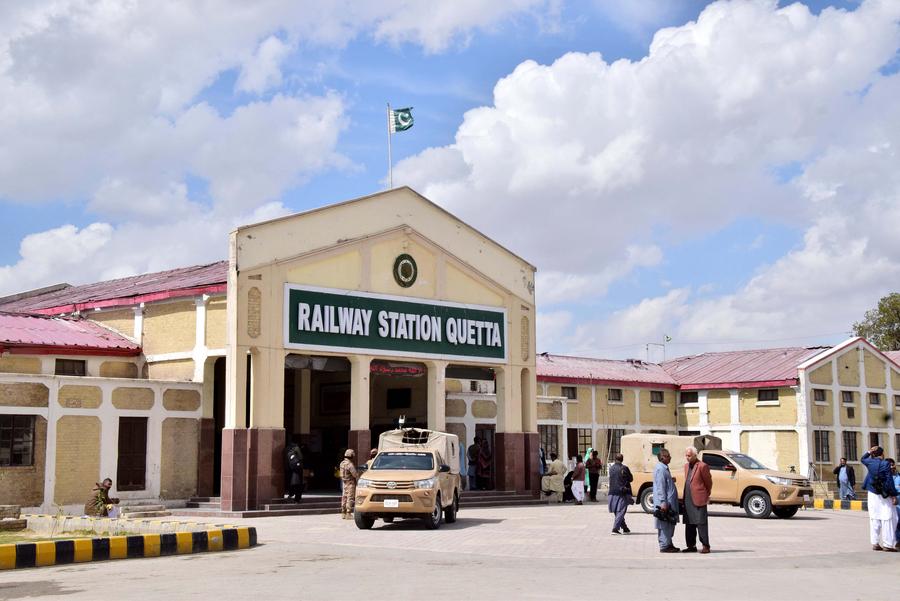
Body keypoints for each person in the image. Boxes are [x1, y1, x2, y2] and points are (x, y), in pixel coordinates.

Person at [861, 446, 898, 551]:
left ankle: (875, 543)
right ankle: (888, 544)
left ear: (873, 454)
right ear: (882, 454)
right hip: (884, 494)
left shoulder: (869, 462)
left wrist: (869, 451)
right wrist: (893, 494)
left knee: (874, 517)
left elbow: (862, 459)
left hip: (872, 493)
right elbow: (889, 480)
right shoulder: (885, 464)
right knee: (888, 518)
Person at [682, 446, 713, 554]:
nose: (687, 457)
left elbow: (708, 482)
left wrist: (706, 494)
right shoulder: (686, 466)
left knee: (701, 523)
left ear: (695, 455)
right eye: (686, 455)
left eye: (689, 456)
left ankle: (705, 546)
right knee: (689, 523)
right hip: (688, 499)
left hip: (699, 499)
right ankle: (691, 546)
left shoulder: (702, 466)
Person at [653, 448, 680, 553]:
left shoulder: (664, 468)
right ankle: (664, 545)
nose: (670, 458)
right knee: (664, 524)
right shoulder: (661, 469)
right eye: (668, 456)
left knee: (669, 524)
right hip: (665, 504)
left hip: (669, 503)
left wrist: (671, 480)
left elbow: (664, 482)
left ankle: (668, 543)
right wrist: (663, 502)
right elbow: (660, 487)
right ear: (663, 457)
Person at [607, 453, 633, 534]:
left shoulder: (611, 468)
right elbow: (631, 479)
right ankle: (615, 529)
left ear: (615, 459)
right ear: (622, 459)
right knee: (621, 511)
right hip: (622, 492)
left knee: (617, 511)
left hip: (612, 492)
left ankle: (625, 528)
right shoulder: (624, 468)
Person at [339, 449, 359, 520]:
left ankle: (343, 513)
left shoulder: (342, 463)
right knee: (350, 498)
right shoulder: (350, 464)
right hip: (350, 483)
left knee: (344, 497)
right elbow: (355, 474)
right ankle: (348, 513)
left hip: (344, 482)